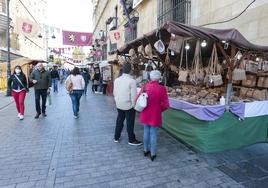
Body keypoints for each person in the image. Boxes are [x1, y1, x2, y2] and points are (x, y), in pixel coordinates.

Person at [138, 70, 169, 161]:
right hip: (155, 114)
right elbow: (166, 105)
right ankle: (153, 153)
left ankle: (145, 150)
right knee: (153, 133)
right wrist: (160, 109)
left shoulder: (144, 87)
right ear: (159, 78)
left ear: (150, 77)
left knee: (146, 131)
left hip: (145, 113)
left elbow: (137, 99)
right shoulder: (162, 88)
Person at [113, 63, 142, 146]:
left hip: (119, 104)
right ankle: (131, 139)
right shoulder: (131, 81)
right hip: (129, 105)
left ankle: (116, 137)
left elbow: (114, 92)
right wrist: (134, 106)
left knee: (119, 120)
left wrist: (117, 101)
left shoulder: (117, 80)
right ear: (130, 70)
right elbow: (134, 96)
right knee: (130, 122)